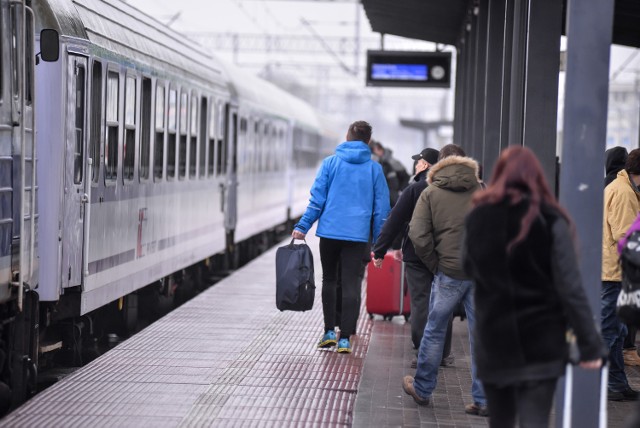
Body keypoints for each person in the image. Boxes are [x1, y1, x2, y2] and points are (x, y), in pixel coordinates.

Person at [462, 146, 605, 427]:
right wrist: (590, 345)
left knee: (500, 422)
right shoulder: (551, 219)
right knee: (535, 421)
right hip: (542, 343)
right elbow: (570, 287)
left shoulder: (478, 217)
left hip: (495, 341)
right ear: (537, 177)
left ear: (499, 175)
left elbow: (468, 266)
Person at [401, 144, 487, 415]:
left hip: (447, 272)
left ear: (439, 163)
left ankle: (423, 389)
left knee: (434, 329)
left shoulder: (430, 192)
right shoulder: (482, 190)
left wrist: (434, 263)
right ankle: (483, 399)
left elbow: (417, 233)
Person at [292, 120, 390, 354]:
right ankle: (345, 338)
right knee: (351, 283)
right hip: (356, 237)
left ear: (347, 137)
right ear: (368, 141)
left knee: (330, 280)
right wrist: (379, 244)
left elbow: (317, 200)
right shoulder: (375, 169)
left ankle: (328, 332)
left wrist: (303, 226)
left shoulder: (330, 164)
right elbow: (381, 210)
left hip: (330, 233)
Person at [372, 148, 454, 368]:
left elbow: (394, 220)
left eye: (418, 162)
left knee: (420, 303)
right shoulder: (450, 189)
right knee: (443, 303)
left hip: (417, 256)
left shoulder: (416, 188)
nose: (416, 165)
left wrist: (379, 250)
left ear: (426, 165)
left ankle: (422, 351)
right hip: (445, 254)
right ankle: (443, 353)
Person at [602, 148, 640, 400]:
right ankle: (588, 381)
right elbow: (626, 237)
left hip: (613, 269)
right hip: (614, 270)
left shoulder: (623, 188)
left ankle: (616, 383)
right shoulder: (624, 192)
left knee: (617, 331)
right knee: (609, 329)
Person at [370, 140, 410, 207]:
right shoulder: (376, 162)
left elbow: (405, 177)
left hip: (393, 194)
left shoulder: (392, 162)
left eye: (377, 150)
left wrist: (402, 191)